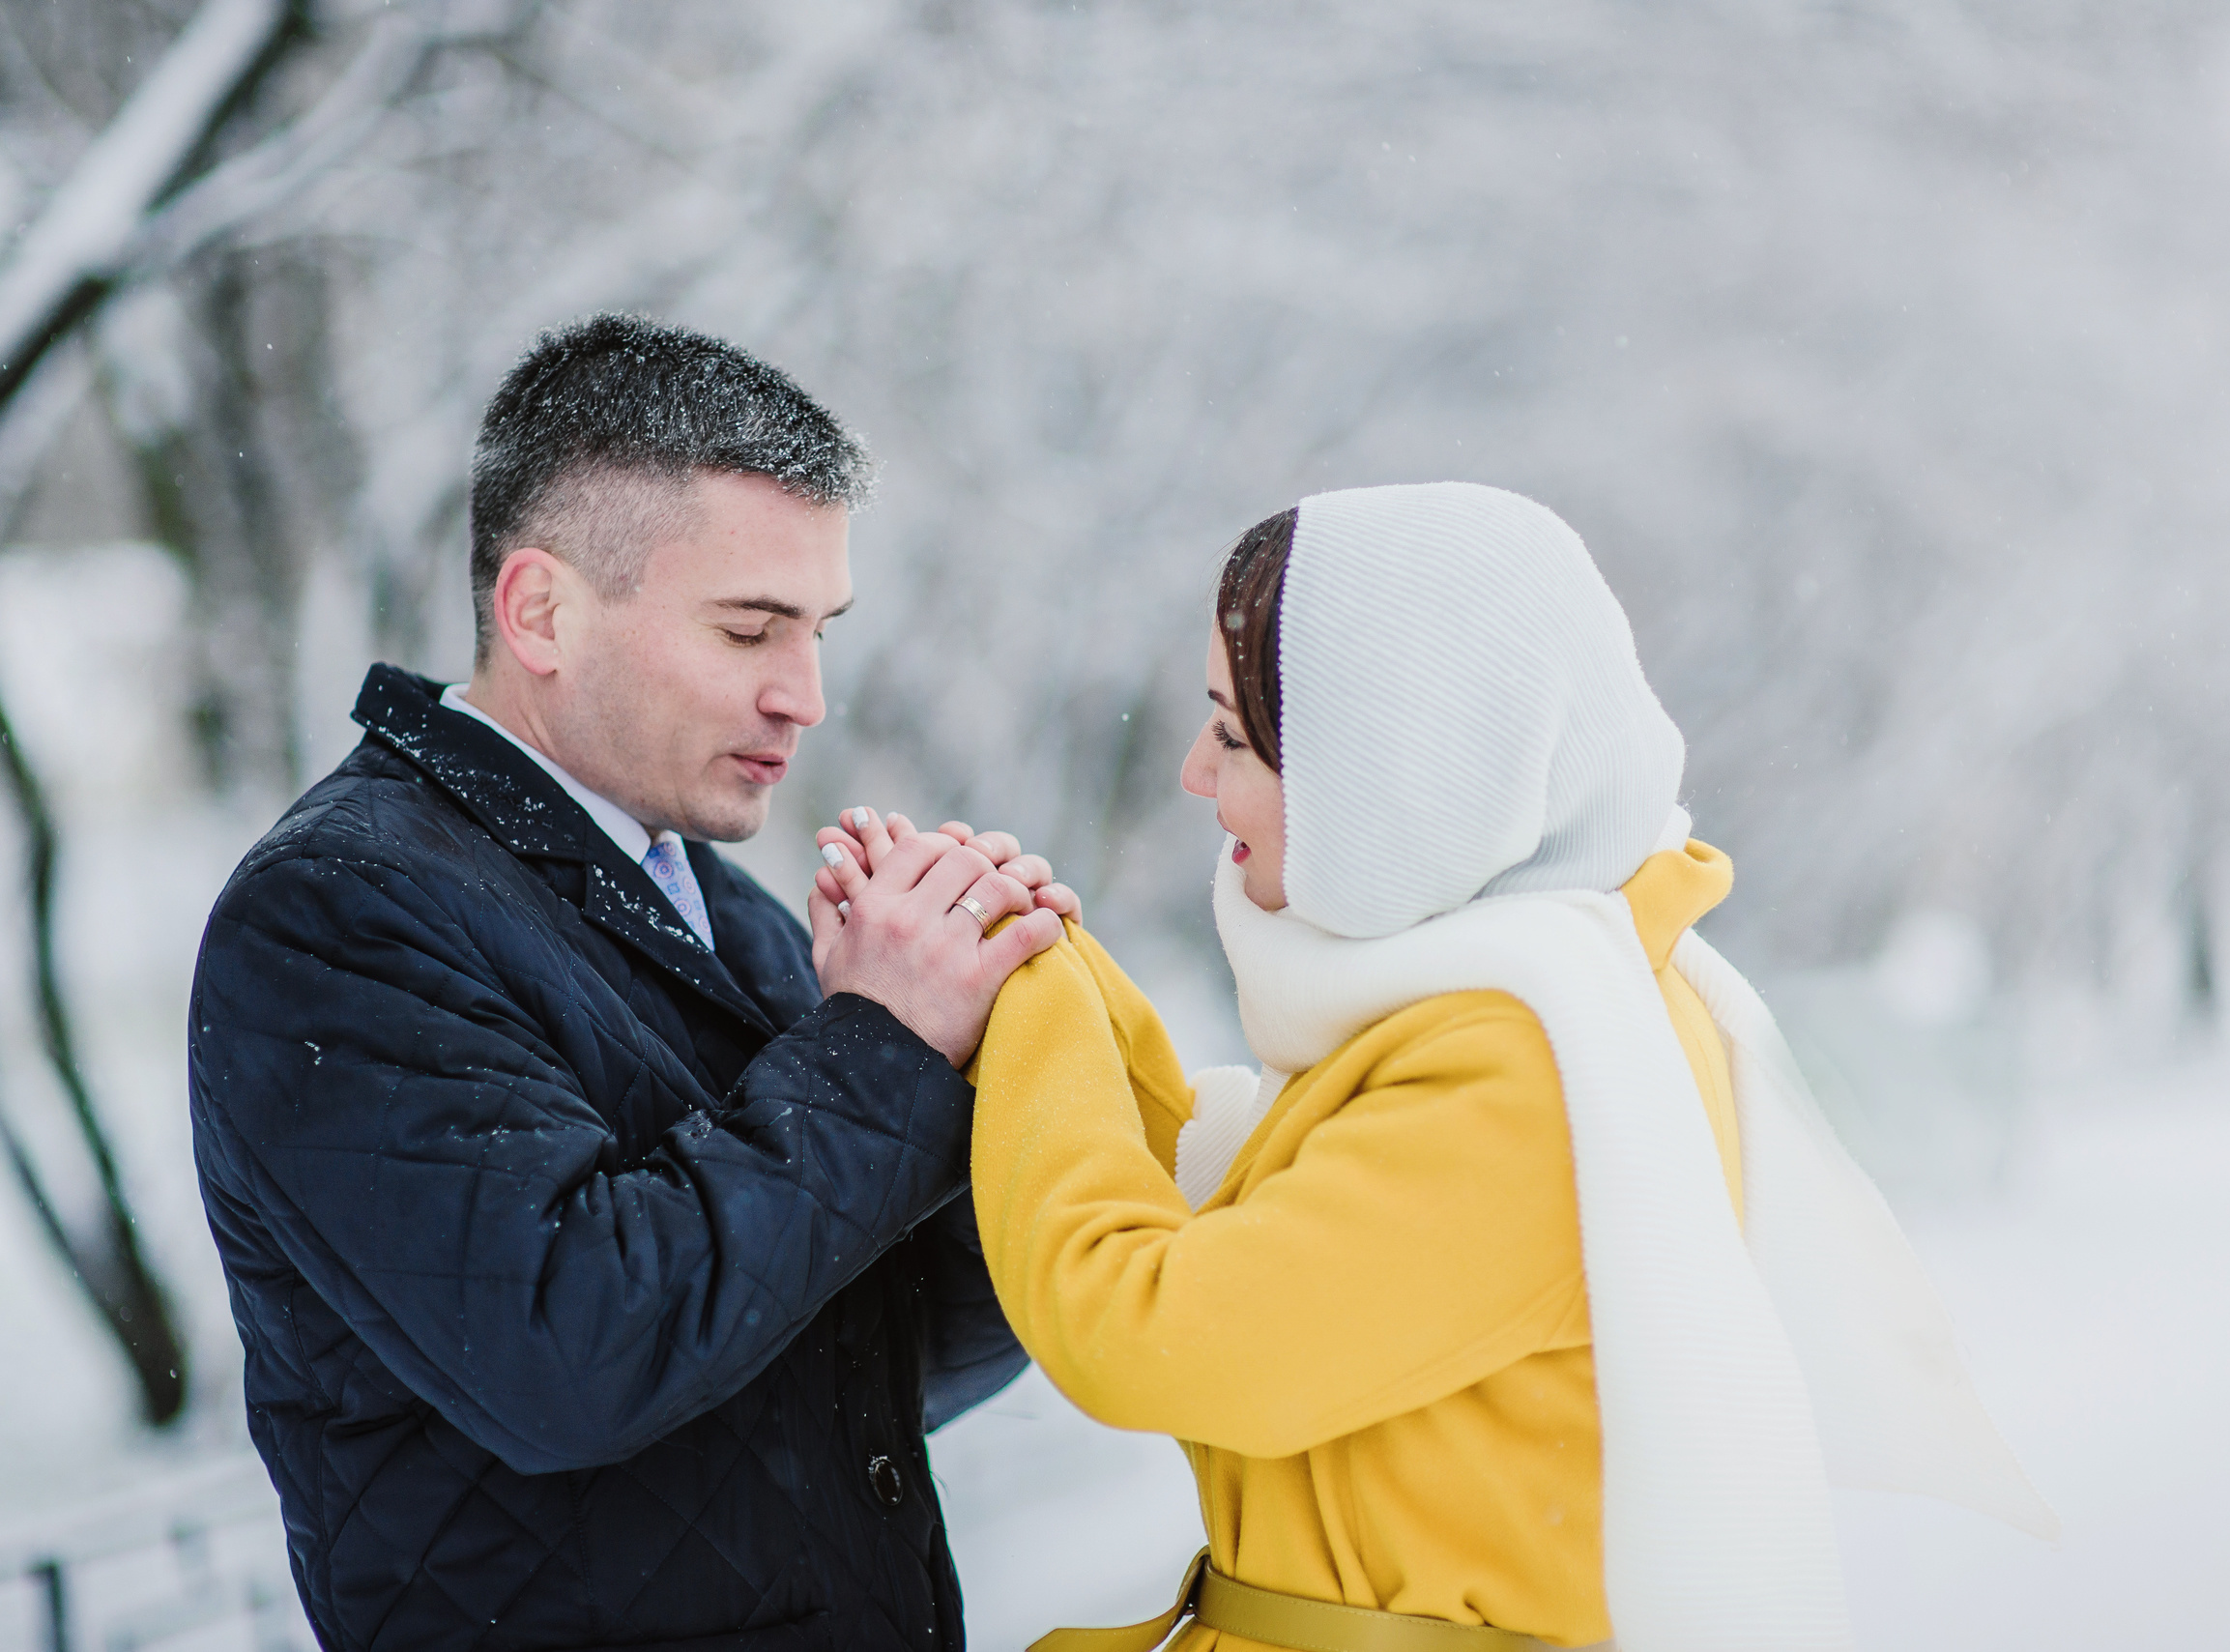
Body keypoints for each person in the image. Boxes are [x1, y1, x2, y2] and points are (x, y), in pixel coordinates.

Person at [818, 483, 2056, 1652]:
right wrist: (1060, 967)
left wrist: (1031, 998)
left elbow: (1163, 1332)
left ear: (1392, 778)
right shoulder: (1531, 1000)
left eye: (1236, 734)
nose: (1196, 772)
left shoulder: (1523, 1065)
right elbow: (1259, 1188)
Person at [188, 313, 1070, 1652]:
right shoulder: (338, 913)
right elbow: (568, 1353)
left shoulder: (725, 904)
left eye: (819, 629)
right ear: (541, 610)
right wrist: (878, 1047)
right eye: (749, 630)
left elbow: (876, 1364)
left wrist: (988, 1054)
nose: (805, 696)